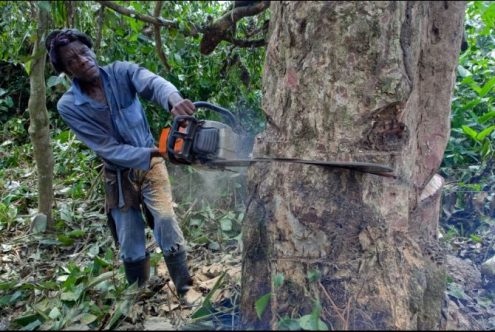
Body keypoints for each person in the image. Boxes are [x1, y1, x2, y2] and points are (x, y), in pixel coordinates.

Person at [45, 28, 195, 296]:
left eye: (83, 52)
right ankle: (137, 294)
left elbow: (151, 82)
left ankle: (184, 288)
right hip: (118, 173)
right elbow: (106, 147)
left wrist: (173, 99)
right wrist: (152, 153)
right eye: (72, 61)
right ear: (66, 70)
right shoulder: (69, 106)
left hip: (151, 166)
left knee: (165, 220)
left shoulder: (121, 72)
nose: (82, 60)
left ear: (91, 50)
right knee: (129, 237)